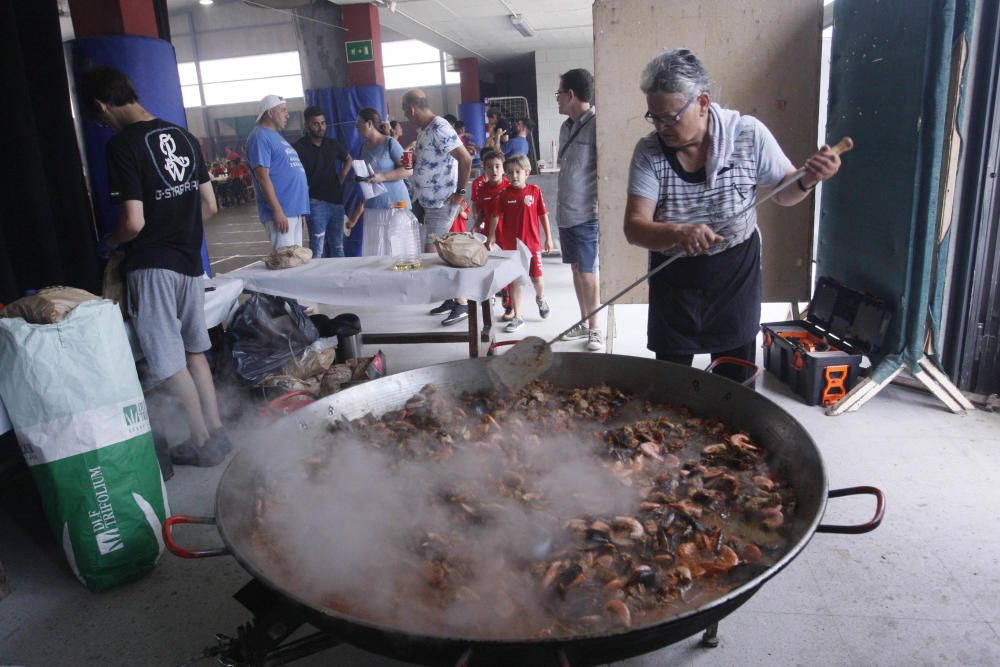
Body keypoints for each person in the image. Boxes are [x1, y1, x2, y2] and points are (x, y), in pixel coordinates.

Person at [623, 48, 841, 382]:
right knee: (669, 383)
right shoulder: (650, 153)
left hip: (734, 274)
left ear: (703, 103)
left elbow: (785, 191)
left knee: (734, 383)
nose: (662, 127)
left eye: (670, 117)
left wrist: (808, 178)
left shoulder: (748, 135)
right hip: (674, 279)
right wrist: (678, 233)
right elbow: (635, 228)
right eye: (655, 117)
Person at [79, 65, 230, 467]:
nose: (104, 126)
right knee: (196, 350)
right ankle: (217, 429)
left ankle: (200, 442)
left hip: (152, 266)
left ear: (101, 105)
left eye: (100, 119)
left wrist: (108, 243)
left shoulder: (122, 145)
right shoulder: (183, 134)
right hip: (190, 262)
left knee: (167, 362)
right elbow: (210, 206)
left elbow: (133, 222)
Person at [401, 89, 473, 327]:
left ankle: (462, 302)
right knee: (438, 253)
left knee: (437, 253)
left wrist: (460, 193)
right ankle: (451, 298)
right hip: (429, 202)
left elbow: (466, 159)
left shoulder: (440, 127)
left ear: (411, 110)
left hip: (443, 202)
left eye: (405, 111)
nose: (406, 115)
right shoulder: (425, 130)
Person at [556, 68, 603, 351]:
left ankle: (596, 329)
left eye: (559, 94)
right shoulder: (565, 128)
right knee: (575, 269)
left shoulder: (597, 124)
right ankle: (584, 322)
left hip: (587, 213)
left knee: (588, 271)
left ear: (571, 94)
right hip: (566, 212)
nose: (557, 100)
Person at [486, 154, 553, 333]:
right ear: (506, 176)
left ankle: (541, 298)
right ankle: (517, 316)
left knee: (536, 278)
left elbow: (543, 215)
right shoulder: (503, 195)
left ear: (527, 173)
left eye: (517, 172)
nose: (514, 176)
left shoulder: (534, 191)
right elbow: (495, 216)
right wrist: (491, 236)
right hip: (511, 247)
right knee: (514, 280)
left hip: (532, 245)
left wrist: (549, 237)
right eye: (510, 173)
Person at [246, 95, 309, 249]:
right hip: (282, 213)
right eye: (283, 110)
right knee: (285, 263)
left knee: (295, 262)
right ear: (270, 113)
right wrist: (277, 210)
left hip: (292, 211)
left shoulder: (276, 137)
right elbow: (262, 177)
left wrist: (299, 212)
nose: (287, 115)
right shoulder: (259, 137)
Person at [293, 106, 353, 258]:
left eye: (323, 123)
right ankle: (315, 281)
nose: (320, 127)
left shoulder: (332, 144)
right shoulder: (299, 147)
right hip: (315, 202)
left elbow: (348, 159)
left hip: (336, 202)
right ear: (307, 125)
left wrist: (341, 178)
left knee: (338, 246)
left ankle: (342, 279)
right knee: (317, 247)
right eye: (315, 123)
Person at [471, 148, 513, 318]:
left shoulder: (509, 187)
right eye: (489, 167)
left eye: (497, 166)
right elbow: (482, 211)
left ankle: (510, 305)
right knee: (490, 267)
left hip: (507, 235)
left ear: (503, 168)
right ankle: (493, 296)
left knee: (508, 269)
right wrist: (475, 225)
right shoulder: (482, 189)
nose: (494, 170)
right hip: (489, 236)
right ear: (484, 169)